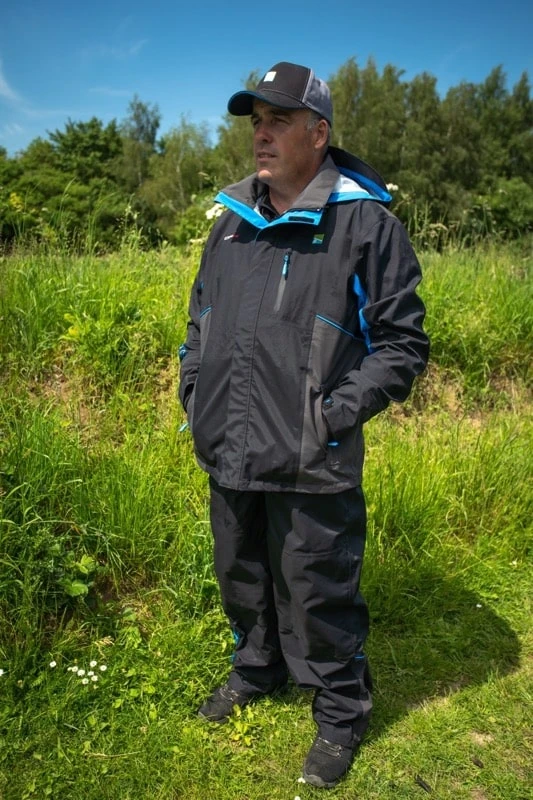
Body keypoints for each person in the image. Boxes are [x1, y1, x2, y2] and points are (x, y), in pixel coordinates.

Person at [178, 61, 429, 789]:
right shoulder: (232, 224)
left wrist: (330, 414)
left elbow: (402, 345)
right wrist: (195, 389)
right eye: (256, 122)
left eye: (278, 121)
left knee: (318, 588)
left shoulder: (366, 226)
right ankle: (256, 668)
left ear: (318, 134)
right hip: (228, 444)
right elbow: (198, 319)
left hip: (311, 455)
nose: (261, 134)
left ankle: (341, 711)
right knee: (241, 574)